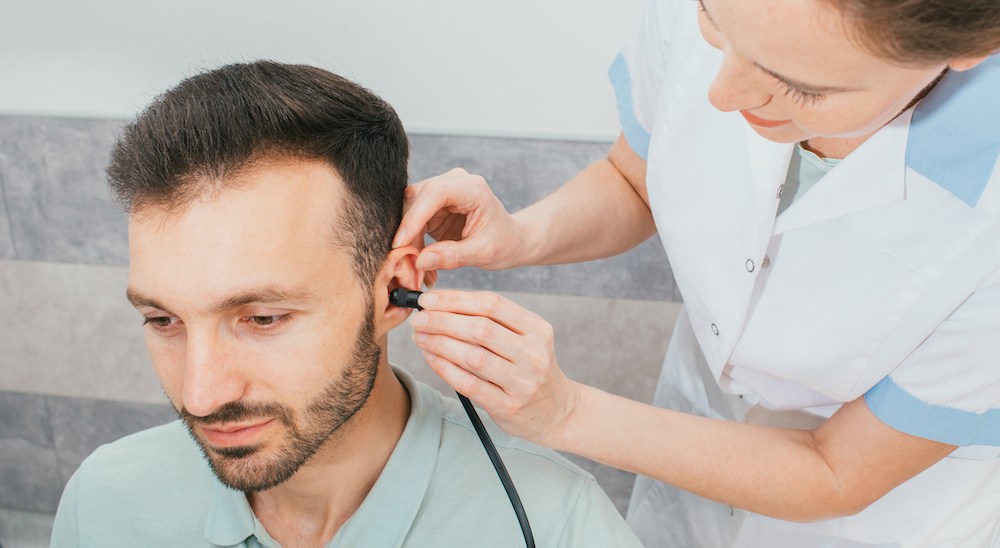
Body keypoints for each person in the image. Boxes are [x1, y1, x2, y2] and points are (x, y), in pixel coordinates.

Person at [393, 0, 1000, 545]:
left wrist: (567, 413)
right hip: (691, 443)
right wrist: (521, 235)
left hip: (879, 517)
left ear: (972, 48)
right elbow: (635, 179)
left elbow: (834, 470)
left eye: (801, 87)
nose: (723, 94)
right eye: (714, 23)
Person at [49, 61, 641, 548]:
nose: (201, 396)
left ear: (394, 290)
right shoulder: (105, 502)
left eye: (263, 318)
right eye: (163, 320)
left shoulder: (553, 523)